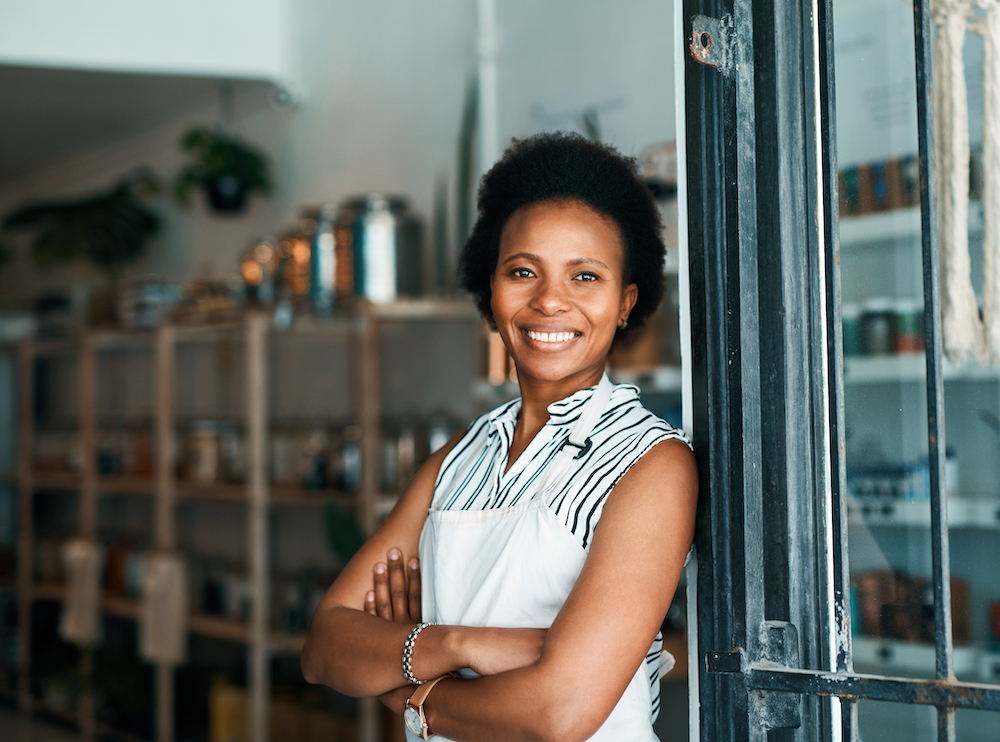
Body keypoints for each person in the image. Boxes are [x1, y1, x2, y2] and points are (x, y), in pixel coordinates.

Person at [302, 132, 698, 742]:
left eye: (585, 276)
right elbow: (326, 645)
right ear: (492, 288)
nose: (549, 302)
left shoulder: (650, 466)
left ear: (626, 302)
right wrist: (459, 644)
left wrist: (407, 687)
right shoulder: (458, 460)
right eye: (523, 271)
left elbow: (558, 713)